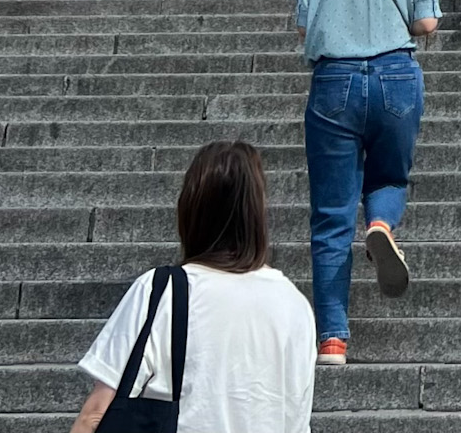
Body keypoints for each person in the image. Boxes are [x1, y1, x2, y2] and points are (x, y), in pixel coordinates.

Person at [293, 0, 438, 367]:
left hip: (335, 80)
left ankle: (332, 339)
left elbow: (304, 25)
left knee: (331, 217)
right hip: (396, 75)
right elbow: (425, 23)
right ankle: (380, 222)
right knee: (390, 177)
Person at [69, 139, 314, 432]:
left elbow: (94, 416)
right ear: (258, 215)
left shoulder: (162, 291)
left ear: (190, 208)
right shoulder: (294, 304)